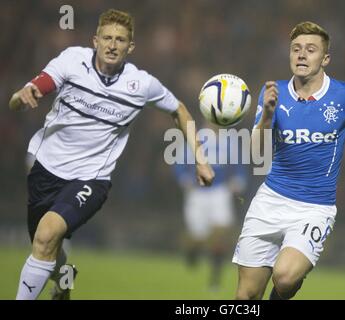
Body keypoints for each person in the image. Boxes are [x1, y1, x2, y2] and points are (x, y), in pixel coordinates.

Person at [9, 9, 214, 300]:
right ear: (95, 40)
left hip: (90, 179)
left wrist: (200, 159)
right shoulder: (71, 60)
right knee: (44, 249)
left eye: (120, 40)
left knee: (46, 235)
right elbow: (29, 92)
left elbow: (179, 110)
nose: (112, 45)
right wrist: (22, 95)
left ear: (130, 47)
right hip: (45, 169)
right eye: (107, 38)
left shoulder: (141, 84)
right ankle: (64, 280)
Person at [232, 21, 345, 300]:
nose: (301, 55)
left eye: (310, 50)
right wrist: (266, 116)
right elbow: (255, 154)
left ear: (325, 59)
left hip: (314, 207)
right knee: (246, 298)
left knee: (285, 278)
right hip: (270, 201)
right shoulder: (273, 92)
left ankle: (290, 284)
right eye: (296, 49)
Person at [174, 122, 247, 291]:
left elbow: (239, 165)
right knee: (197, 236)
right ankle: (192, 254)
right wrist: (183, 178)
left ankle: (215, 280)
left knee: (220, 234)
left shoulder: (231, 140)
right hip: (197, 192)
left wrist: (239, 180)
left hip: (220, 192)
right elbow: (179, 163)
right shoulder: (195, 138)